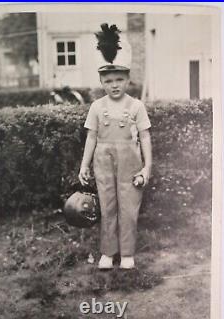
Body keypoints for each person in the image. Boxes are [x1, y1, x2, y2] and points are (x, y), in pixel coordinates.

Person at [78, 24, 152, 269]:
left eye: (119, 79)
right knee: (107, 205)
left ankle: (128, 253)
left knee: (129, 207)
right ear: (101, 81)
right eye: (108, 80)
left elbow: (145, 137)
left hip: (130, 162)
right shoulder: (97, 107)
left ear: (128, 79)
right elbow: (91, 137)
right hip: (103, 160)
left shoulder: (137, 106)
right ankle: (108, 253)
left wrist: (146, 168)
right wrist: (84, 165)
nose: (114, 85)